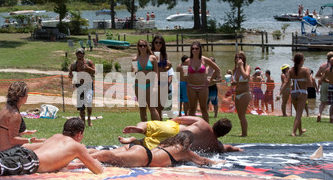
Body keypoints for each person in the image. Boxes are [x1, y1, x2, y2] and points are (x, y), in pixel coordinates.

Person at [91, 131, 224, 168]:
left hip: (139, 149)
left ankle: (83, 153)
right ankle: (82, 159)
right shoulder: (185, 151)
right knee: (109, 157)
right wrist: (217, 162)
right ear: (188, 143)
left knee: (109, 157)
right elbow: (202, 161)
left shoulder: (166, 143)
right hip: (144, 157)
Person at [116, 116, 242, 154]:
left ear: (214, 123)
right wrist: (238, 149)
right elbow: (228, 148)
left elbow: (180, 118)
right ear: (223, 134)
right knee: (153, 146)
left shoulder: (202, 123)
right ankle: (137, 141)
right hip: (178, 143)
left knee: (146, 125)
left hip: (175, 129)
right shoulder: (215, 145)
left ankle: (140, 129)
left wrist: (168, 123)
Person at [0, 81, 45, 152]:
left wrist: (23, 132)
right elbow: (13, 139)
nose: (27, 96)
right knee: (47, 145)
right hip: (8, 151)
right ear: (20, 98)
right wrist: (30, 140)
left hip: (2, 148)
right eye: (26, 94)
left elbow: (6, 133)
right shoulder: (15, 114)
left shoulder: (6, 108)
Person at [278, 53, 312, 136]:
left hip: (293, 93)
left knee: (297, 113)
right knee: (298, 114)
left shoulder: (291, 70)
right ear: (301, 61)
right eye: (303, 59)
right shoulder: (306, 70)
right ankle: (293, 132)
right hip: (302, 93)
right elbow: (310, 83)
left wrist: (279, 94)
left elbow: (286, 83)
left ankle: (300, 130)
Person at [186, 41, 220, 123]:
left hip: (203, 86)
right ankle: (190, 128)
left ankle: (206, 129)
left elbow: (217, 69)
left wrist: (210, 79)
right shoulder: (188, 61)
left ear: (200, 49)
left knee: (204, 108)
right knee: (192, 108)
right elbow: (184, 73)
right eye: (193, 48)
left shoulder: (204, 59)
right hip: (191, 86)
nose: (194, 50)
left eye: (196, 48)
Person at [132, 39, 159, 121]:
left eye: (144, 45)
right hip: (138, 85)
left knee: (152, 107)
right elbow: (134, 73)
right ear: (138, 47)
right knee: (142, 108)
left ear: (147, 46)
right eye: (140, 45)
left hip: (149, 84)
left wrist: (155, 86)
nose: (142, 47)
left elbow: (156, 73)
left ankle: (157, 127)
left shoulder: (152, 58)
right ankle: (145, 129)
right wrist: (133, 70)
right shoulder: (135, 59)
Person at [69, 48, 96, 126]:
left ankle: (89, 119)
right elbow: (70, 74)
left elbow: (96, 71)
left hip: (88, 85)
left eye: (81, 53)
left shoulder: (89, 62)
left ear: (84, 54)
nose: (79, 55)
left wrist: (87, 68)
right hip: (80, 85)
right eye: (78, 53)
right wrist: (72, 76)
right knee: (81, 106)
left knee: (89, 103)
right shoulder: (74, 64)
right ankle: (83, 122)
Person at [151, 35, 172, 118]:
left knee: (162, 106)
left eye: (160, 42)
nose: (158, 44)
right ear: (153, 43)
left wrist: (168, 67)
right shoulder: (150, 54)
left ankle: (160, 125)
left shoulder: (164, 55)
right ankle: (155, 126)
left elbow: (163, 68)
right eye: (156, 42)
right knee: (154, 106)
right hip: (154, 82)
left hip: (164, 82)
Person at [232, 51, 251, 137]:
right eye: (236, 57)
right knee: (240, 115)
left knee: (242, 115)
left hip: (244, 94)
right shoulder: (235, 69)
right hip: (237, 94)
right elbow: (236, 81)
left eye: (240, 57)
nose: (238, 59)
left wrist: (241, 67)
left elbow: (245, 76)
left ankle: (244, 134)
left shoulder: (247, 67)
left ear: (244, 59)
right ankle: (243, 132)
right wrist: (232, 83)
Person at [315, 51, 333, 122]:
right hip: (332, 84)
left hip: (323, 84)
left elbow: (317, 75)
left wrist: (324, 77)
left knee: (322, 102)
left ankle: (319, 113)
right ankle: (331, 117)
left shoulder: (322, 66)